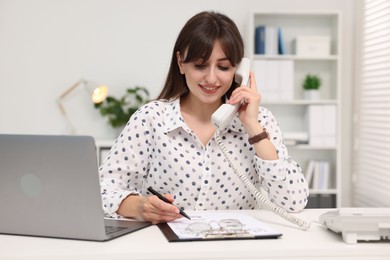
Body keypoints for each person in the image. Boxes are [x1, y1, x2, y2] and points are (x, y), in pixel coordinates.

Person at [99, 11, 309, 224]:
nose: (211, 78)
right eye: (200, 65)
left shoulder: (260, 121)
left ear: (238, 70)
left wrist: (253, 127)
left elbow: (294, 202)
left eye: (223, 67)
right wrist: (140, 206)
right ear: (181, 62)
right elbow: (102, 189)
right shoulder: (151, 118)